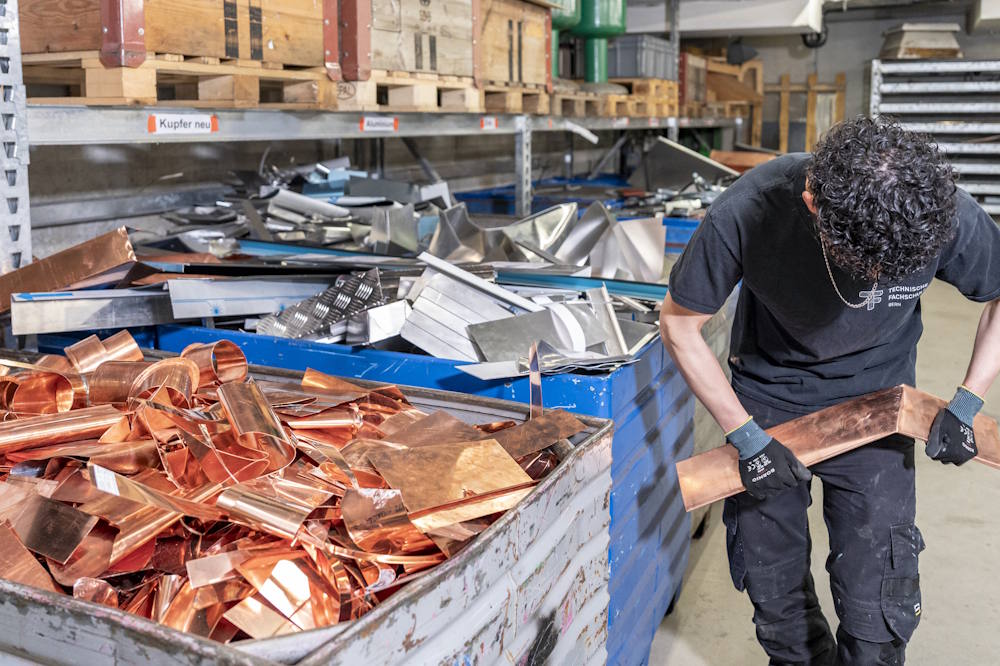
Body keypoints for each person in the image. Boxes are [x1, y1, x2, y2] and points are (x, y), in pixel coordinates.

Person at [658, 115, 1000, 665]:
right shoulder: (751, 209)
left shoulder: (938, 209)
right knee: (777, 596)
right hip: (769, 403)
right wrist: (743, 436)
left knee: (879, 604)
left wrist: (967, 401)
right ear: (813, 203)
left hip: (879, 408)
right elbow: (677, 323)